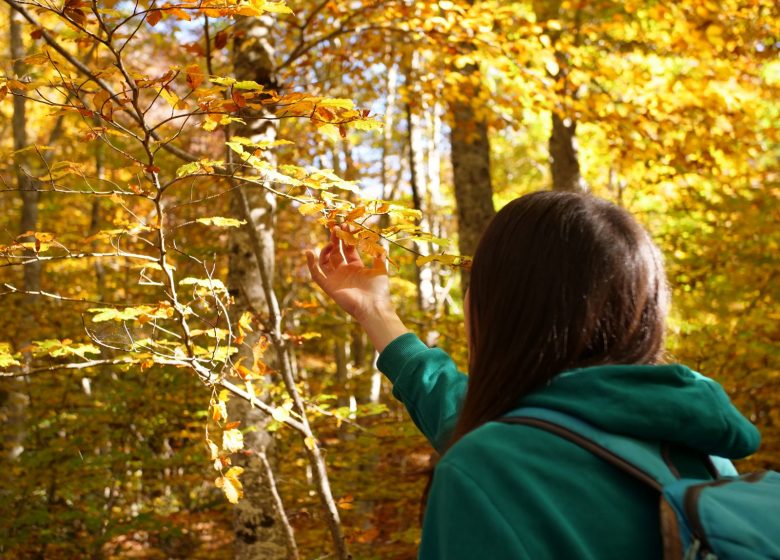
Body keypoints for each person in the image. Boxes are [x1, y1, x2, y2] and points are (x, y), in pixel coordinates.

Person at [305, 191, 760, 559]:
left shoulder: (488, 469)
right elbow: (473, 414)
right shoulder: (703, 455)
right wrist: (377, 312)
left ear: (506, 309)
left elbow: (497, 447)